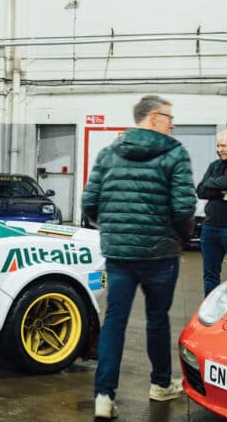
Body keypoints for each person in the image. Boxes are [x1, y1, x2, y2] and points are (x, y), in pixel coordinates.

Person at [83, 95, 196, 419]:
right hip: (160, 255)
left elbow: (89, 203)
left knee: (114, 322)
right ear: (153, 117)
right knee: (157, 320)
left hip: (118, 254)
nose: (172, 123)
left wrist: (112, 229)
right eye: (169, 117)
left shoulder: (109, 153)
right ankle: (160, 384)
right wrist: (180, 237)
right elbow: (184, 208)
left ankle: (103, 397)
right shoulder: (175, 154)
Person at [196, 129, 227, 295]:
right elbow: (200, 190)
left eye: (223, 145)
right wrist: (222, 190)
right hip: (210, 228)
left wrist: (212, 184)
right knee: (210, 275)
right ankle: (211, 314)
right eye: (217, 146)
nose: (219, 149)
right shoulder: (214, 165)